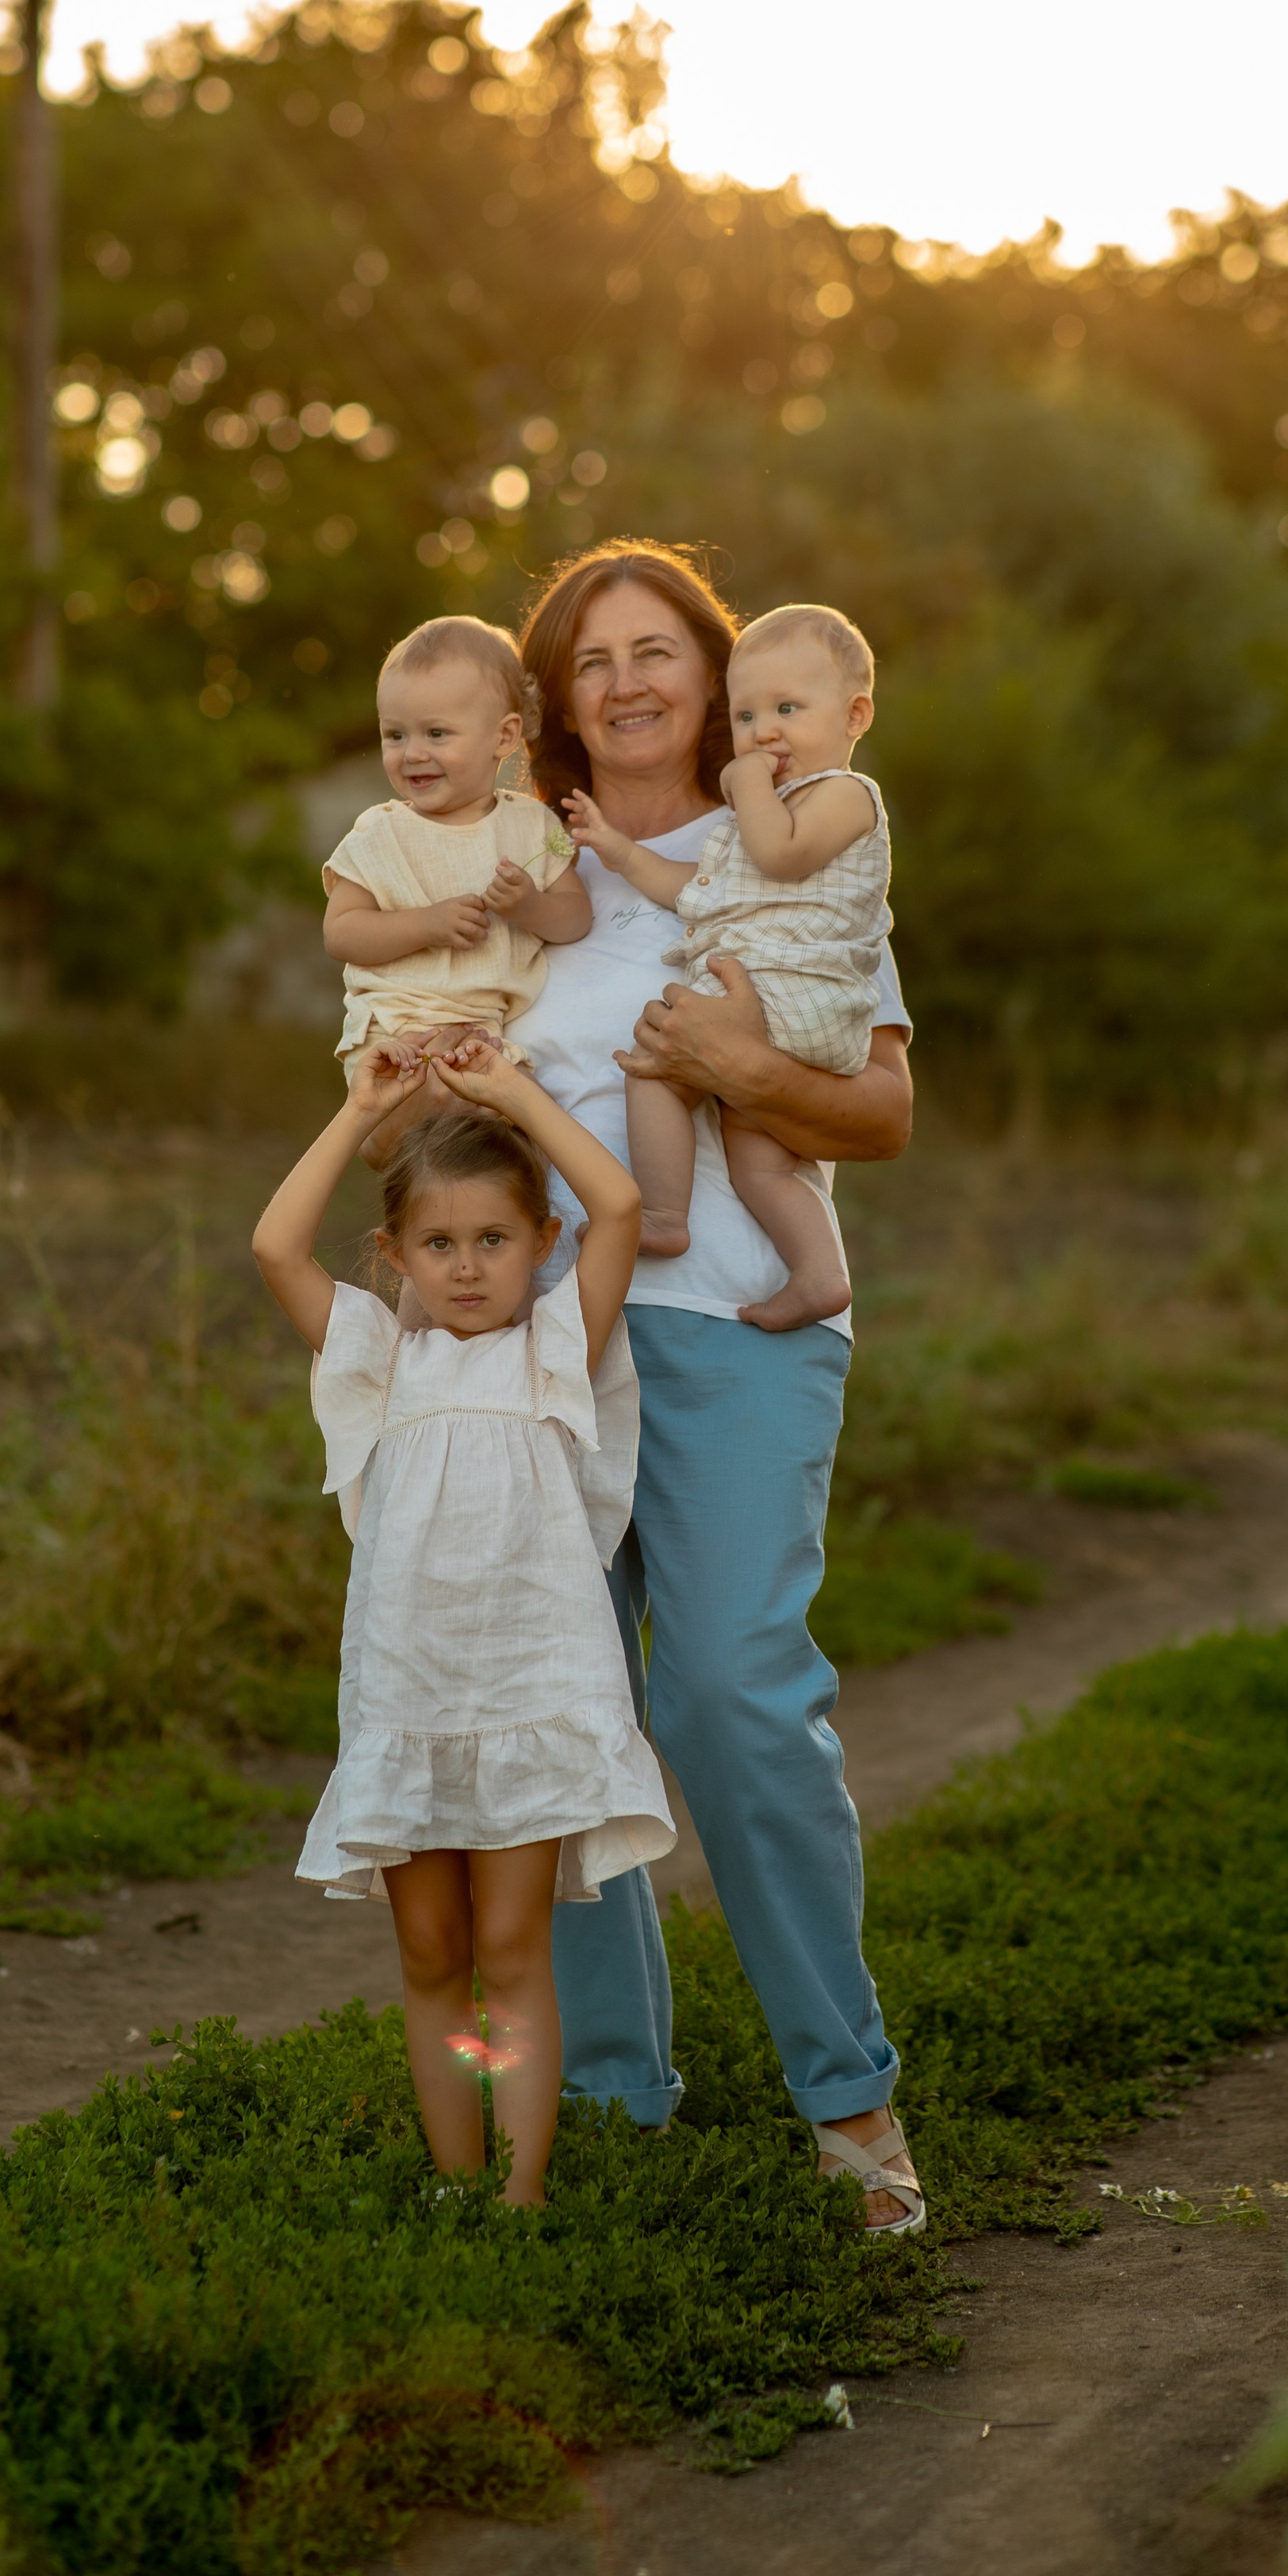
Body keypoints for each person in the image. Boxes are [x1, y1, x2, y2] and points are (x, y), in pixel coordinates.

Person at [509, 539, 927, 2237]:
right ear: (557, 699)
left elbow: (879, 1114)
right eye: (588, 658)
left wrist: (734, 1066)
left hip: (736, 1316)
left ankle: (851, 2105)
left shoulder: (799, 843)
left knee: (733, 1700)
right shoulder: (518, 872)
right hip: (538, 1337)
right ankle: (610, 2102)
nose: (623, 681)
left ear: (714, 672)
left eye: (654, 649)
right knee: (560, 1711)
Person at [250, 1037, 673, 2210]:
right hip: (409, 1699)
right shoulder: (381, 1363)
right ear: (395, 1257)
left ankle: (522, 2197)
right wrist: (359, 1109)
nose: (469, 1267)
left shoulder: (554, 1352)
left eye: (495, 1240)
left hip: (528, 1698)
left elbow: (624, 1202)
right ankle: (455, 2185)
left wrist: (513, 1096)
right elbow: (276, 1246)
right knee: (432, 1958)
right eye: (439, 1244)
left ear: (542, 1245)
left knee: (512, 1955)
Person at [564, 601, 889, 1331]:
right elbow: (697, 894)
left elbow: (780, 853)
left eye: (787, 708)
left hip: (795, 997)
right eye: (746, 717)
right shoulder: (755, 822)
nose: (764, 732)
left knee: (653, 1062)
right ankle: (818, 1272)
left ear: (854, 715)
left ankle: (663, 1215)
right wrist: (616, 851)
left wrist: (743, 787)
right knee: (760, 1160)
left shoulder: (844, 796)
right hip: (785, 1007)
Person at [322, 615, 589, 1152]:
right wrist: (426, 924)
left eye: (436, 733)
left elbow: (577, 917)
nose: (412, 753)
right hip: (396, 1036)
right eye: (394, 735)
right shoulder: (381, 831)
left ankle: (549, 1229)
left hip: (487, 1041)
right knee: (429, 1156)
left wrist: (531, 907)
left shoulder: (535, 827)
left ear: (505, 736)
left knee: (536, 1144)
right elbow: (342, 933)